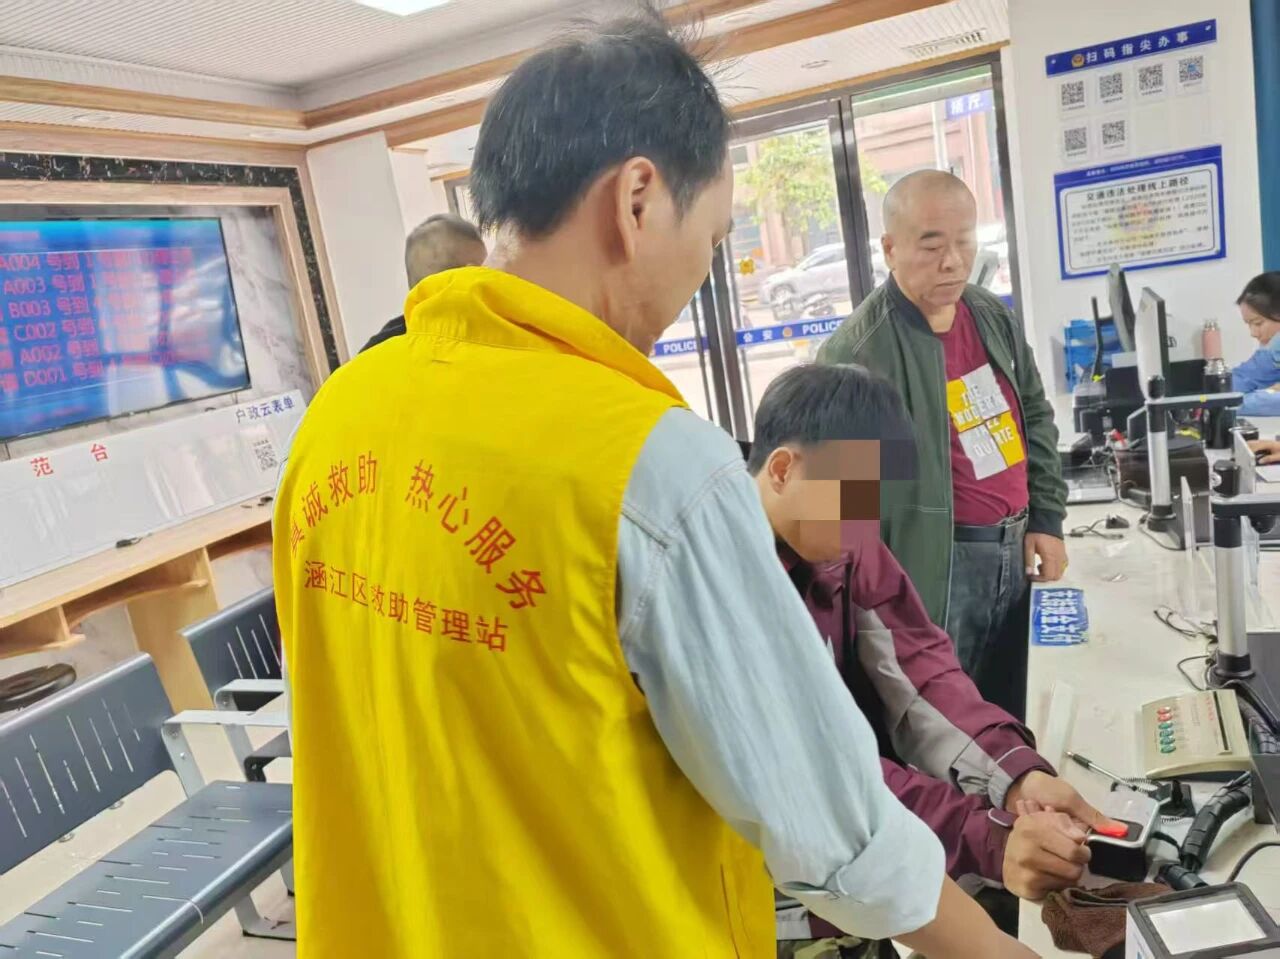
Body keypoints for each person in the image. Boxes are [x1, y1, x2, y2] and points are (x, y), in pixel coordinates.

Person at [274, 14, 1033, 959]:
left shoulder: (339, 415)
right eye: (713, 238)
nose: (701, 275)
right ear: (637, 201)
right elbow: (833, 829)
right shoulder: (651, 467)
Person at [746, 364, 1114, 957]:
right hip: (765, 900)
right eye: (853, 493)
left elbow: (920, 671)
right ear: (784, 469)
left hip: (859, 876)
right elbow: (809, 771)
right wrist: (988, 840)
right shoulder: (725, 588)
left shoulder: (840, 534)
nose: (866, 520)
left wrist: (1016, 776)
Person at [817, 170, 1067, 722]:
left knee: (1011, 707)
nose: (953, 262)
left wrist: (1047, 517)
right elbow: (846, 517)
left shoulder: (989, 315)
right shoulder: (858, 355)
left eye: (964, 242)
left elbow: (1033, 412)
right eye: (932, 246)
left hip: (1014, 549)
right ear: (890, 249)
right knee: (944, 725)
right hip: (937, 569)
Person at [360, 212, 487, 352]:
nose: (492, 280)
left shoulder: (376, 352)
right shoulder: (482, 344)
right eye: (483, 272)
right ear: (467, 277)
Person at [1231, 272, 1280, 416]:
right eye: (1249, 324)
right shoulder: (1273, 351)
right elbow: (1241, 379)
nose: (1253, 333)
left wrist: (1231, 404)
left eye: (1258, 323)